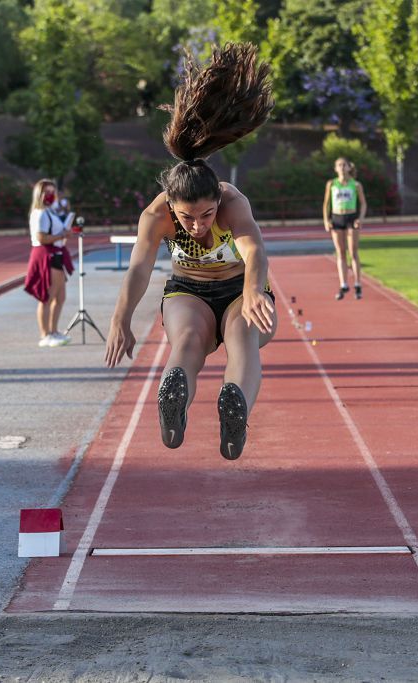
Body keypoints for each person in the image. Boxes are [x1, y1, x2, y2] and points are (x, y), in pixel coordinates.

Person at [104, 43, 276, 461]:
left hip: (239, 290)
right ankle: (173, 398)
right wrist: (120, 320)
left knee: (242, 336)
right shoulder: (155, 215)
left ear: (217, 200)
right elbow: (138, 271)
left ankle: (233, 405)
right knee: (186, 339)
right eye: (187, 217)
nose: (198, 225)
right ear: (171, 206)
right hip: (189, 291)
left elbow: (254, 251)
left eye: (206, 215)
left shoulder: (233, 202)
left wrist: (254, 290)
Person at [23, 178, 74, 348]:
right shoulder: (40, 213)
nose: (52, 195)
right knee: (47, 296)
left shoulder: (51, 212)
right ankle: (45, 334)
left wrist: (64, 233)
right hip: (46, 254)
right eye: (48, 192)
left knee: (60, 297)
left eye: (53, 191)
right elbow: (41, 237)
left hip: (56, 253)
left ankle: (53, 331)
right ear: (40, 194)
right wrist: (62, 236)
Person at [322, 157, 367, 300]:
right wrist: (326, 220)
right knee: (340, 252)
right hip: (337, 218)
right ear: (335, 168)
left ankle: (358, 283)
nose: (342, 167)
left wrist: (360, 218)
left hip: (351, 218)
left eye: (344, 165)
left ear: (349, 167)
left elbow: (364, 204)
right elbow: (326, 204)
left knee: (353, 252)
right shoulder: (332, 184)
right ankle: (343, 284)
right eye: (339, 165)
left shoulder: (356, 185)